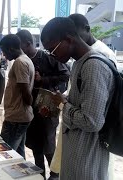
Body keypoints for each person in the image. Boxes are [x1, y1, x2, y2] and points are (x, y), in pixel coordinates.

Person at [41, 17, 115, 180]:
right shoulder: (78, 64)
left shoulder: (93, 66)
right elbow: (80, 102)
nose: (52, 56)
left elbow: (92, 121)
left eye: (53, 49)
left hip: (86, 157)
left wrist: (62, 105)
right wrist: (58, 105)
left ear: (68, 39)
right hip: (75, 152)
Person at [16, 29, 70, 180]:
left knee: (48, 142)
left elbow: (65, 75)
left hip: (48, 106)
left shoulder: (47, 57)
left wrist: (43, 79)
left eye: (20, 46)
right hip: (31, 106)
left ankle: (54, 174)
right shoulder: (23, 59)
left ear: (28, 43)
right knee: (34, 143)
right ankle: (40, 175)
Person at [0, 34, 35, 159]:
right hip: (18, 115)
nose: (4, 55)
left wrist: (29, 103)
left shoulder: (20, 62)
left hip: (16, 117)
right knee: (18, 154)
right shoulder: (25, 60)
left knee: (5, 153)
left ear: (11, 49)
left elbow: (25, 91)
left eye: (4, 51)